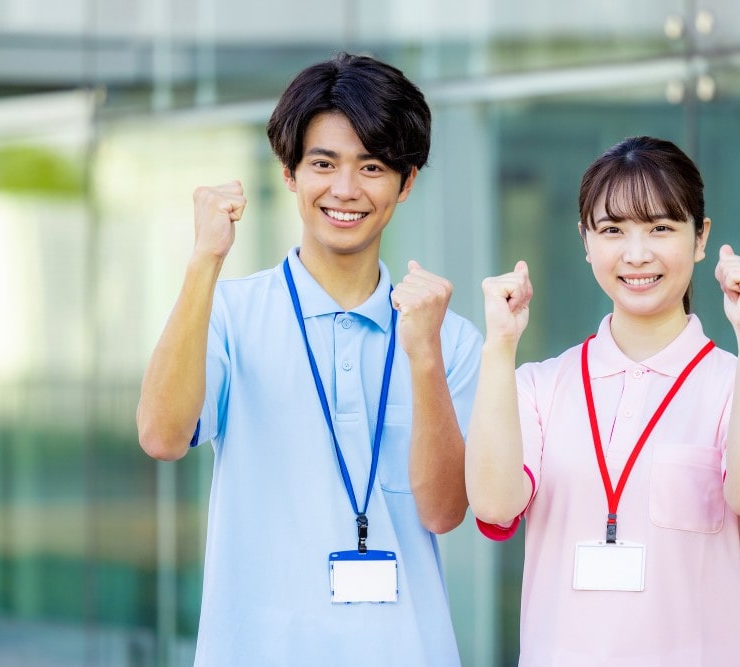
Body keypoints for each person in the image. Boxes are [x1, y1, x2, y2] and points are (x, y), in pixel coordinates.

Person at [136, 52, 481, 666]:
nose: (345, 190)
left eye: (372, 167)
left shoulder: (447, 339)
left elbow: (445, 511)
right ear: (291, 173)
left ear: (407, 182)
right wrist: (204, 261)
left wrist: (422, 356)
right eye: (324, 163)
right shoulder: (228, 315)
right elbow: (162, 435)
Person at [465, 135, 740, 666]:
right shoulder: (536, 387)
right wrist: (499, 344)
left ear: (701, 237)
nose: (636, 254)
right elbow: (492, 507)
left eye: (661, 228)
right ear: (585, 240)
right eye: (613, 230)